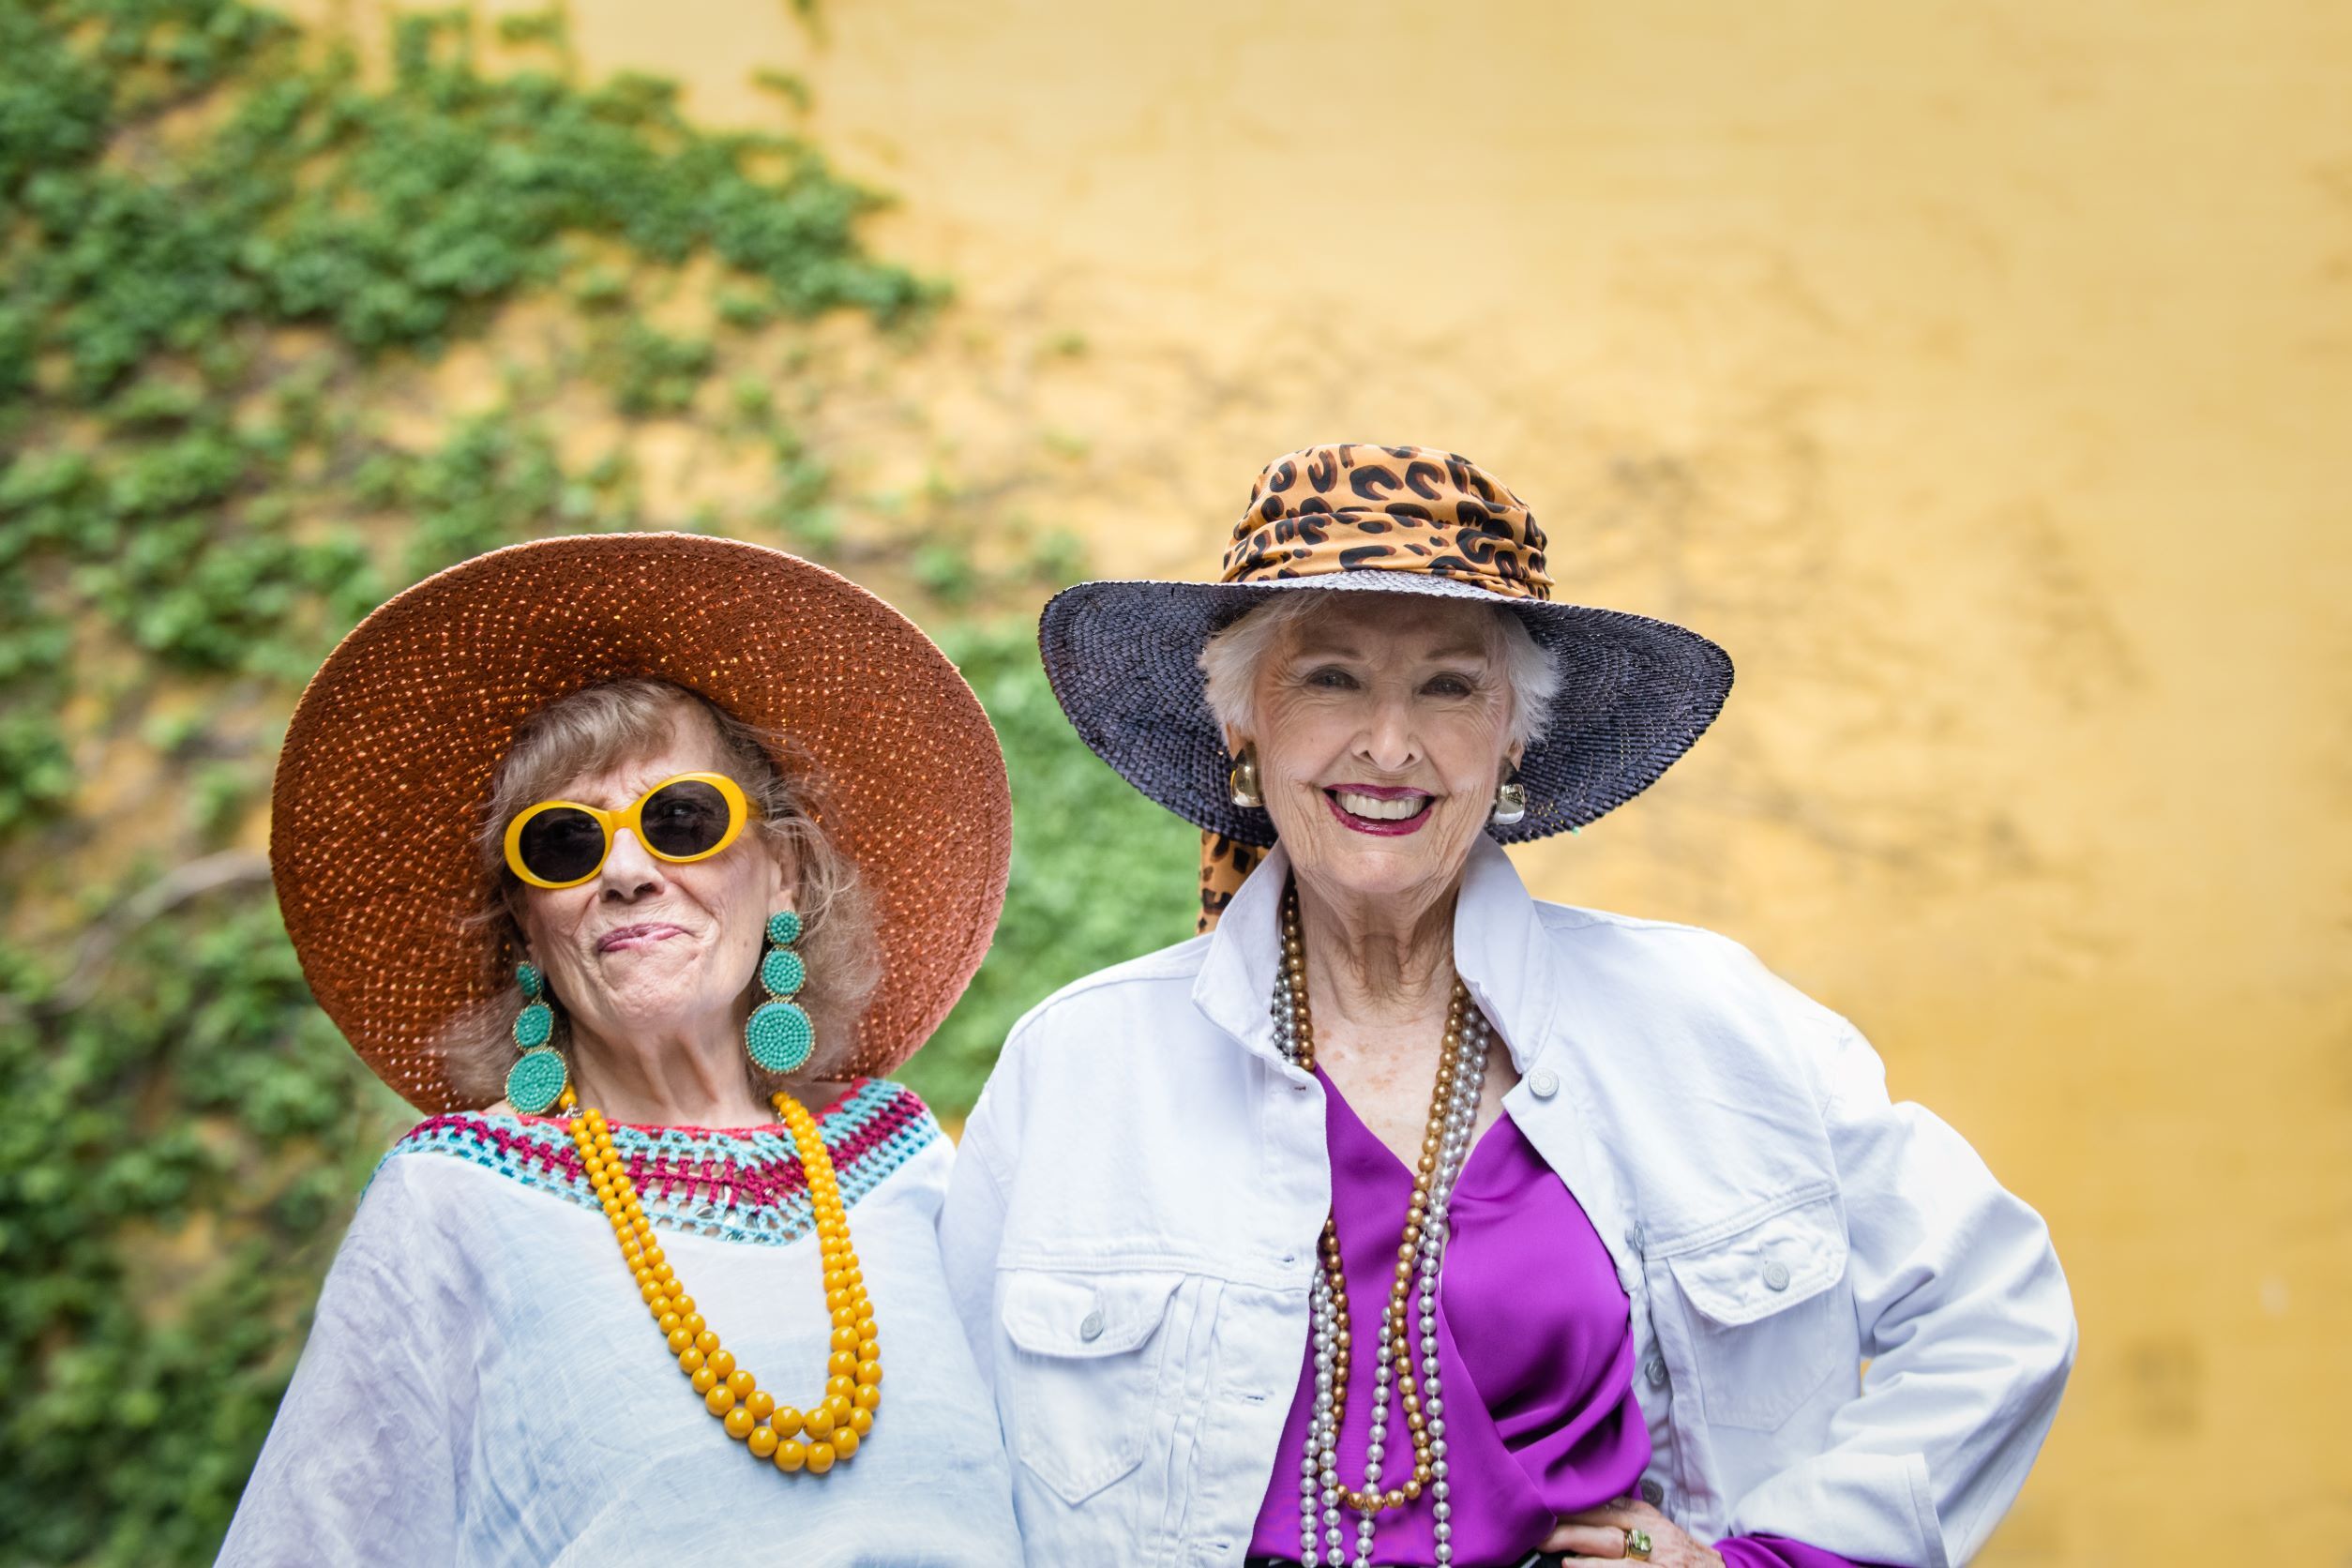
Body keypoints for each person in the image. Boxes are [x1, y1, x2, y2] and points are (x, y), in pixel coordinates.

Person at [942, 444, 2074, 1567]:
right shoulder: (1081, 1063)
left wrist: (1766, 1563)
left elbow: (1995, 1313)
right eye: (1329, 677)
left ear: (1513, 736)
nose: (1389, 744)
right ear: (1244, 723)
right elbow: (949, 1465)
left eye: (1449, 685)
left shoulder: (1707, 1022)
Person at [220, 534, 1022, 1566]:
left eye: (682, 819)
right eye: (563, 842)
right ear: (524, 927)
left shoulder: (907, 1163)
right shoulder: (453, 1202)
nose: (630, 871)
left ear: (781, 873)